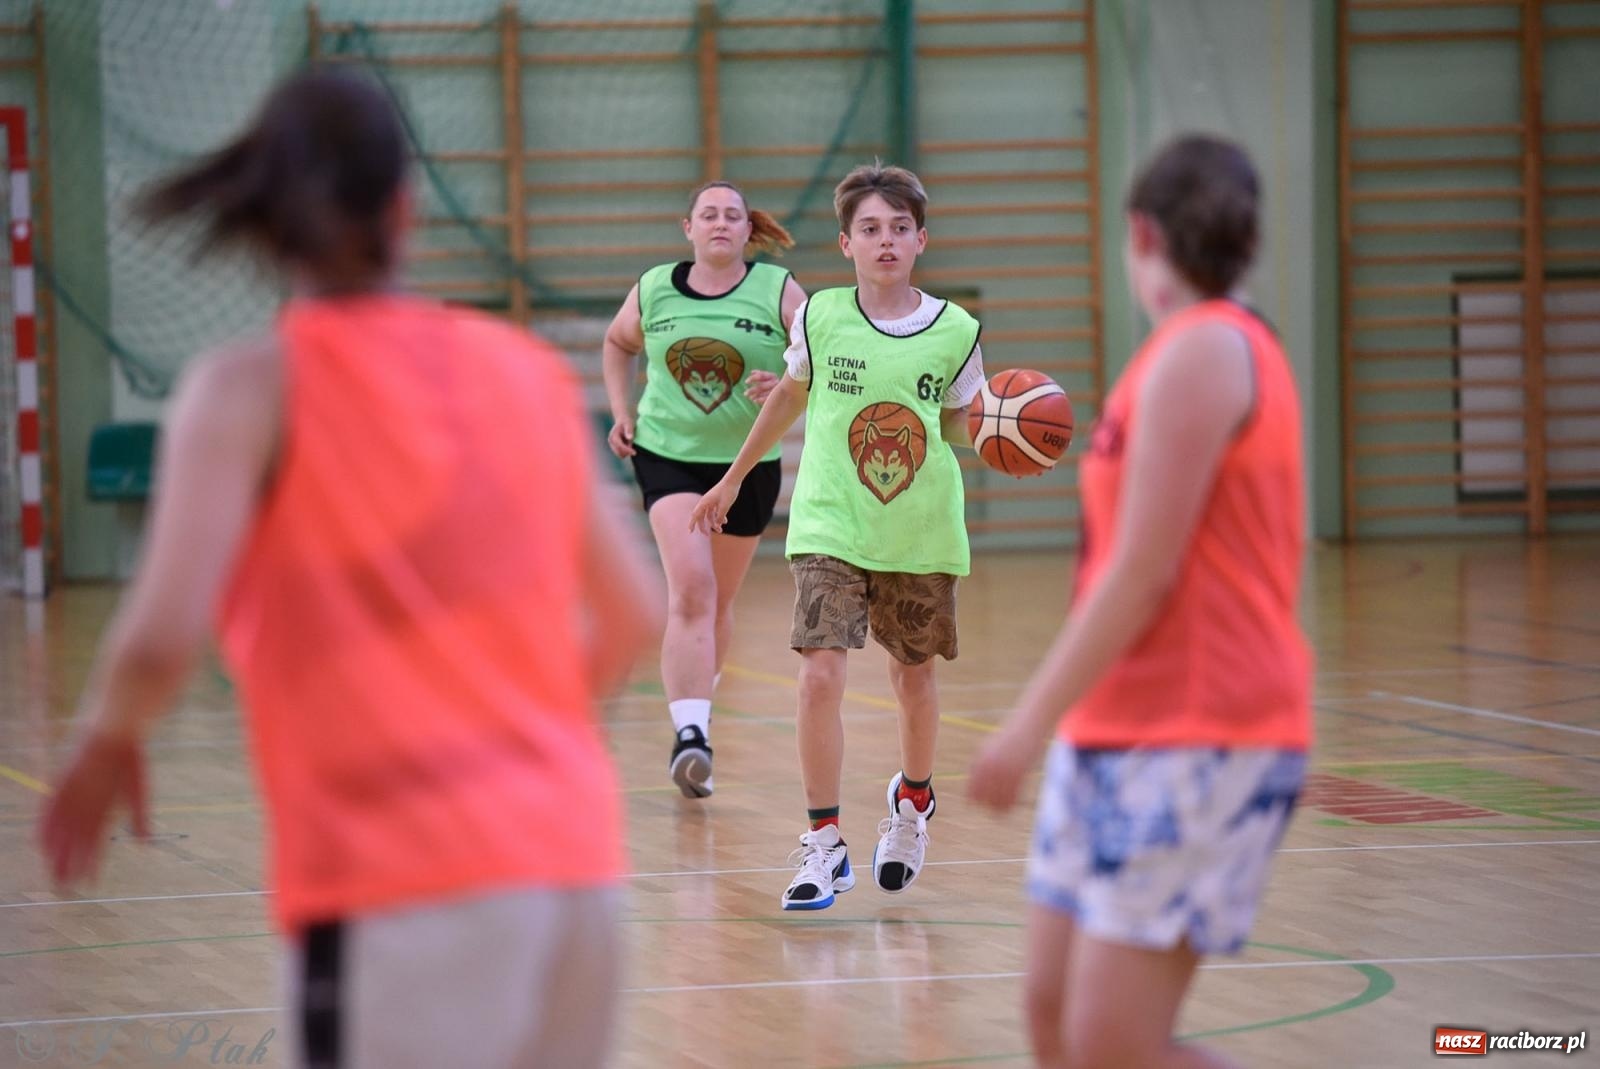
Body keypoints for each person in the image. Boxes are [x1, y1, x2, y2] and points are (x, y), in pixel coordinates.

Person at [37, 68, 662, 1069]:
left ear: (269, 226)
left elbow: (160, 636)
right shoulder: (525, 373)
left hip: (397, 896)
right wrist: (516, 754)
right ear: (405, 210)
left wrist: (107, 735)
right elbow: (634, 615)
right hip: (576, 876)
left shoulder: (247, 392)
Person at [967, 134, 1311, 1069]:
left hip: (1203, 726)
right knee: (1050, 1019)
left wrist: (1025, 725)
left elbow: (1143, 571)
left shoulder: (1206, 352)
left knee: (1112, 1044)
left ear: (1140, 232)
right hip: (1114, 725)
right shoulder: (1177, 352)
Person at [689, 162, 985, 910]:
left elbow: (957, 422)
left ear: (921, 238)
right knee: (819, 674)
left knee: (913, 680)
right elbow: (791, 392)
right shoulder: (819, 316)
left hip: (917, 528)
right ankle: (824, 841)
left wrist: (1004, 437)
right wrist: (731, 477)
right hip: (830, 522)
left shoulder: (955, 330)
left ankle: (912, 804)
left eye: (898, 228)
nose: (884, 241)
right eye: (869, 229)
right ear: (846, 242)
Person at [602, 180, 806, 799]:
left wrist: (787, 381)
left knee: (717, 603)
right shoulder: (656, 287)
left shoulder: (780, 289)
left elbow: (824, 359)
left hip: (746, 466)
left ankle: (699, 707)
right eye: (708, 214)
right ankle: (691, 737)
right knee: (691, 587)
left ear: (750, 231)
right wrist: (621, 411)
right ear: (687, 228)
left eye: (733, 215)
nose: (720, 223)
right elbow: (617, 344)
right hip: (668, 457)